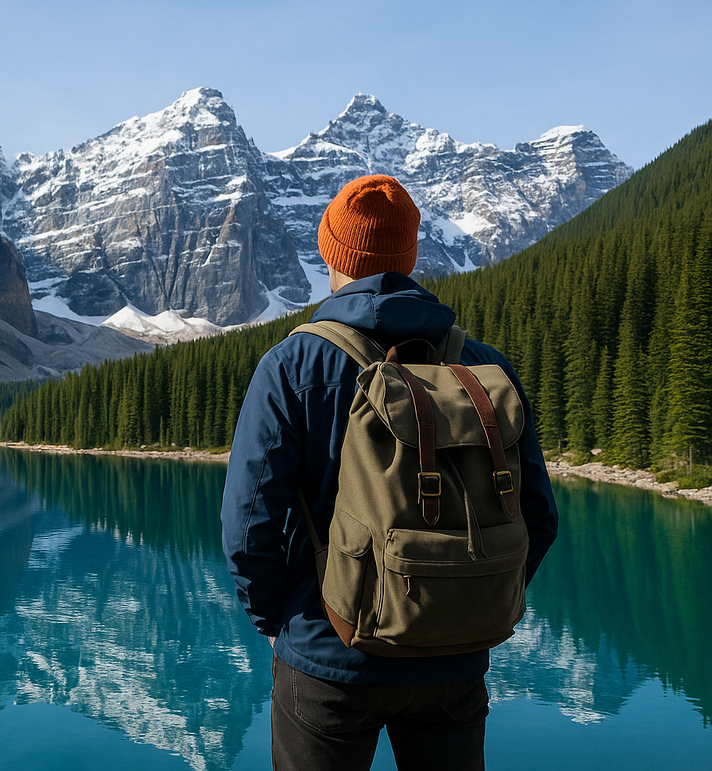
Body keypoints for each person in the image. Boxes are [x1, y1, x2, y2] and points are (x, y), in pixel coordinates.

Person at [220, 174, 558, 771]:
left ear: (331, 253)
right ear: (410, 256)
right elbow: (538, 517)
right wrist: (465, 599)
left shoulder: (293, 364)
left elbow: (249, 527)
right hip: (454, 665)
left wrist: (278, 619)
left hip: (328, 656)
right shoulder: (484, 368)